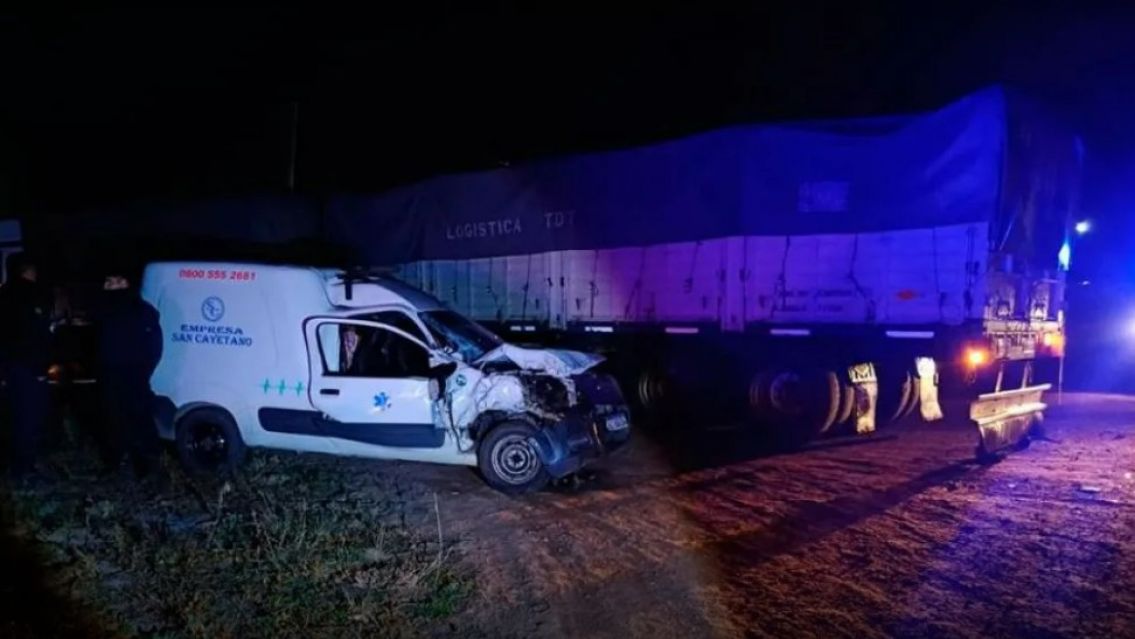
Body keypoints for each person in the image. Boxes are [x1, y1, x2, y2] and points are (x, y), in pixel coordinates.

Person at [95, 269, 163, 479]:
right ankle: (114, 462)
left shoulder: (142, 311)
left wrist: (142, 371)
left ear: (126, 284)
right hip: (109, 374)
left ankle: (147, 466)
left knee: (139, 419)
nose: (109, 286)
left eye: (114, 281)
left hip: (134, 375)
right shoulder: (104, 310)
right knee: (111, 419)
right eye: (107, 282)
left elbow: (154, 346)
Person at [0, 253, 53, 480]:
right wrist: (41, 368)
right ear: (29, 271)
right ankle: (24, 468)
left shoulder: (3, 294)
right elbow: (38, 335)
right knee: (29, 418)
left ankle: (15, 465)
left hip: (9, 367)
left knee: (13, 417)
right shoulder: (32, 295)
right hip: (28, 367)